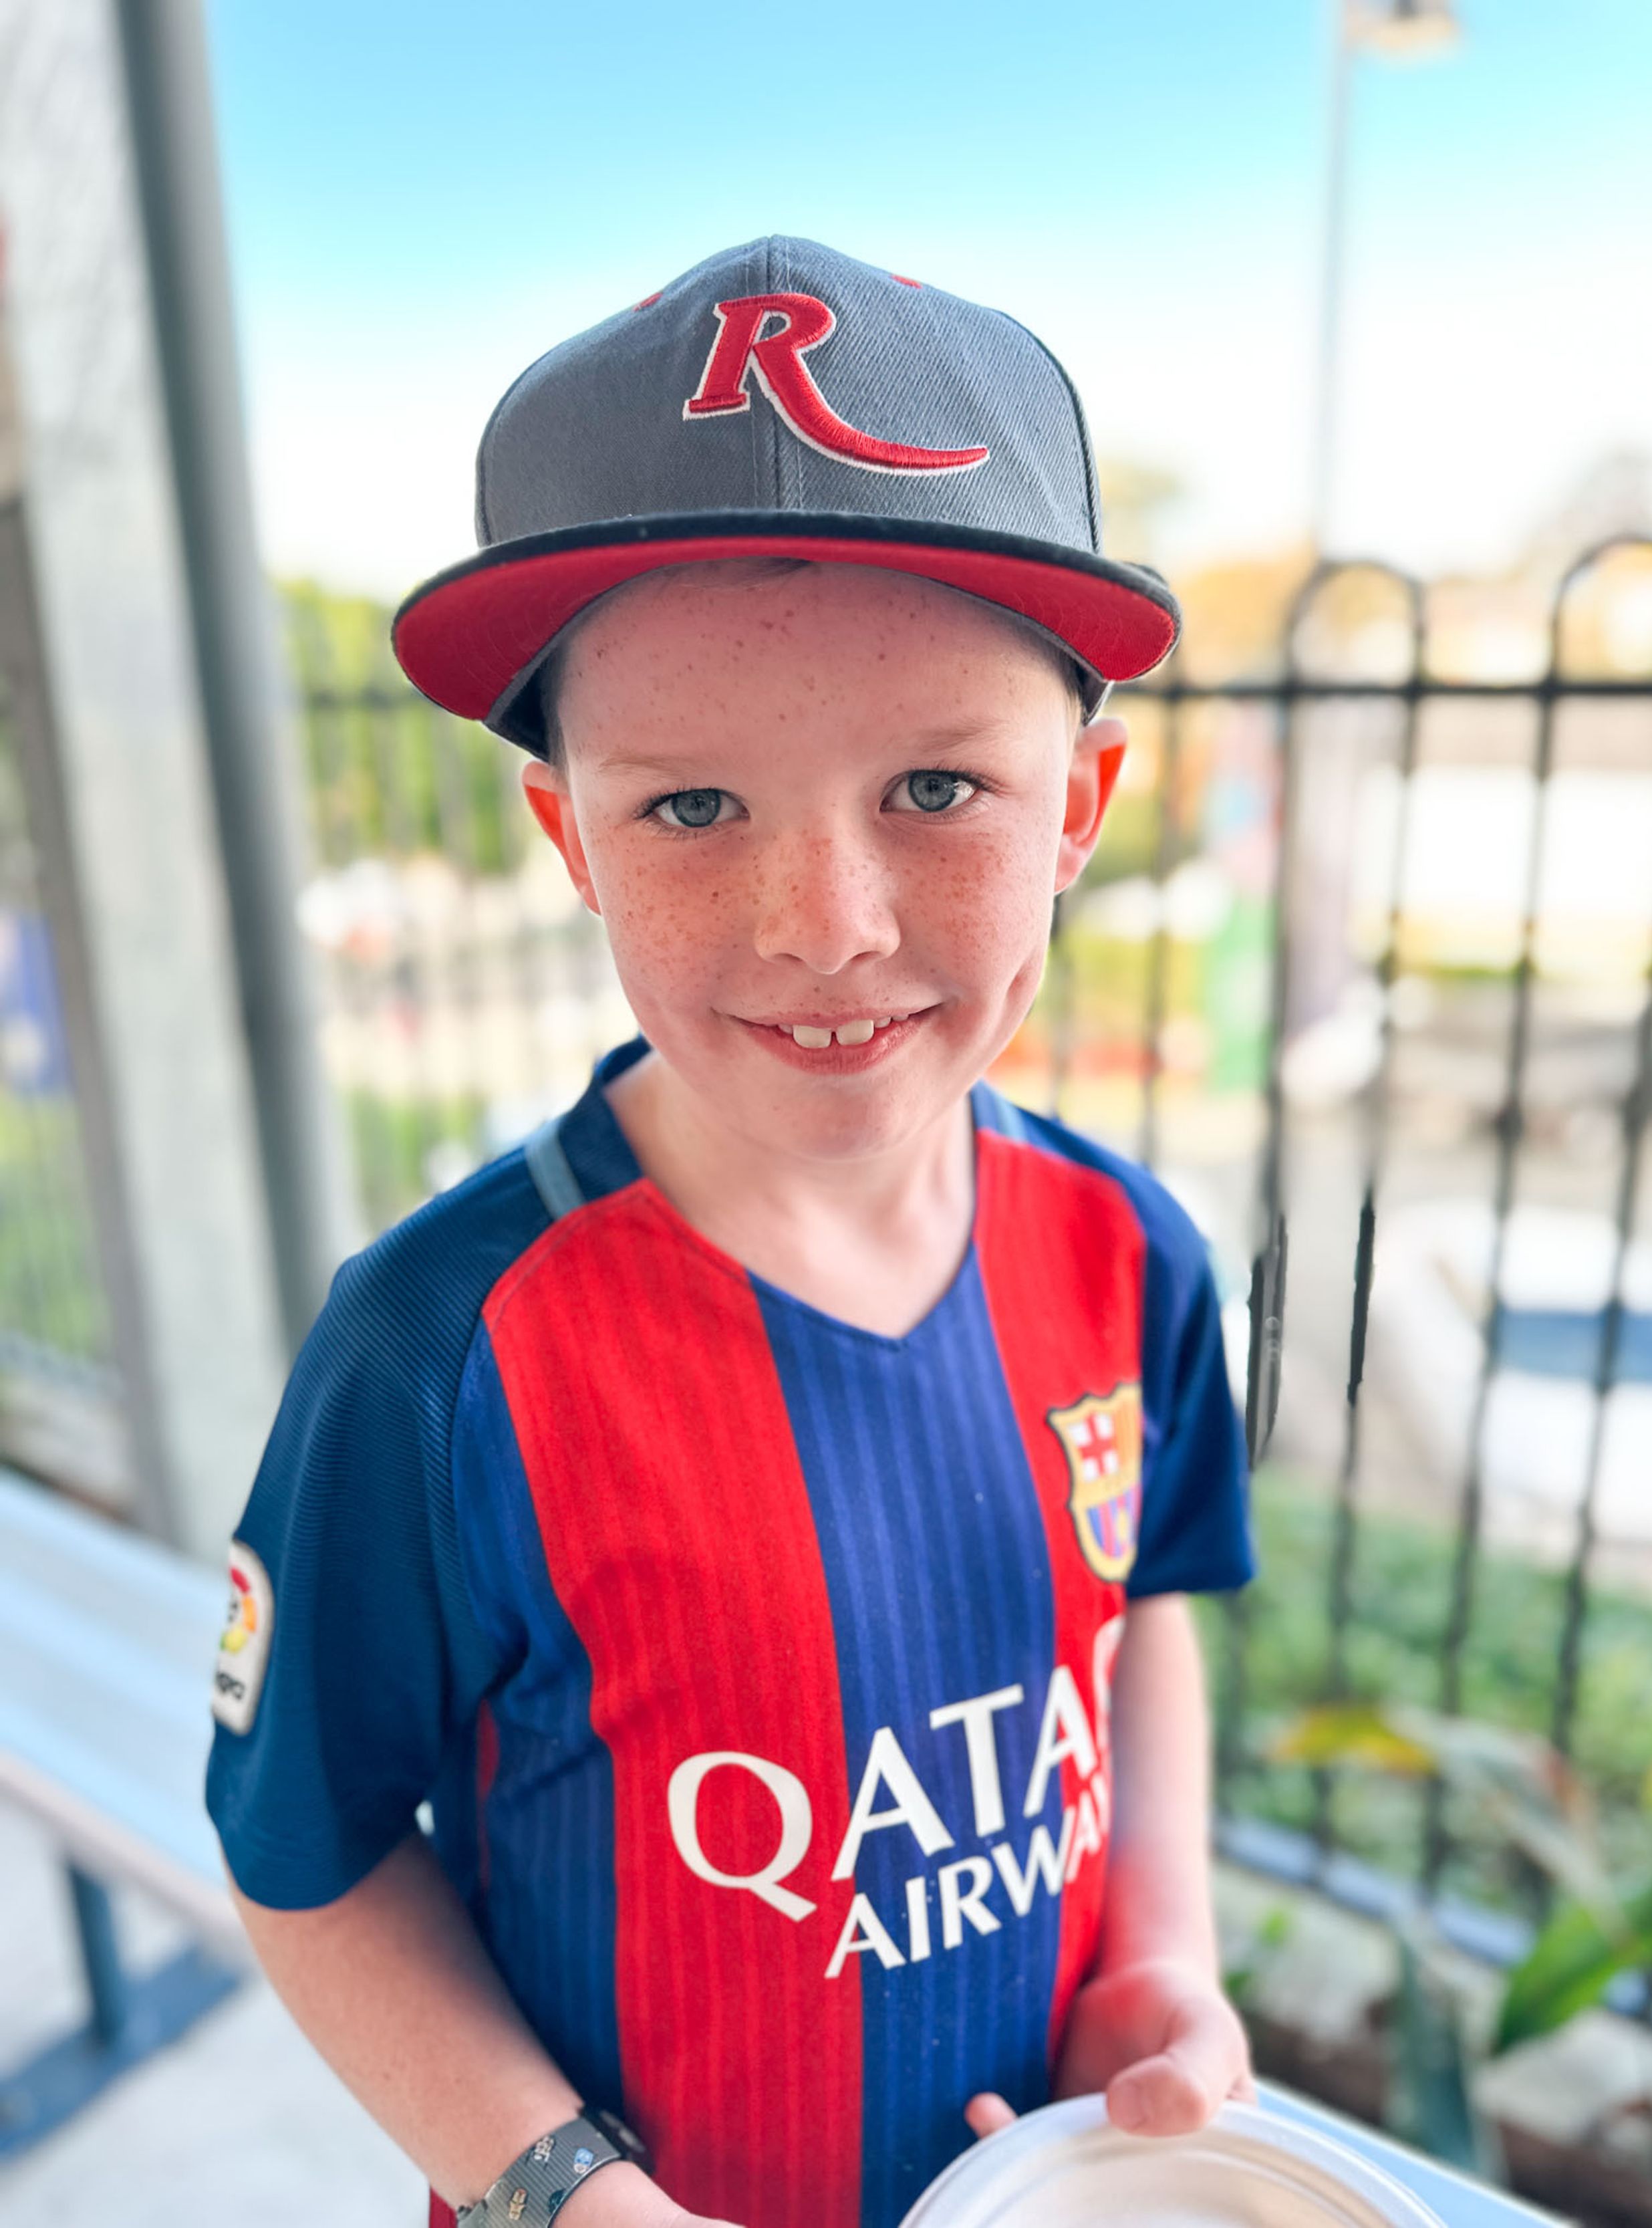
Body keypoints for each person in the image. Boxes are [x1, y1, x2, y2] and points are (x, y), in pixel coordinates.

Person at [206, 237, 1255, 2228]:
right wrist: (564, 2192)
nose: (824, 927)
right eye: (690, 810)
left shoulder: (1128, 1255)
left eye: (936, 784)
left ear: (1079, 806)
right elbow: (308, 1850)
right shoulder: (436, 1359)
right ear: (570, 842)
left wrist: (1165, 1953)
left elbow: (1145, 1624)